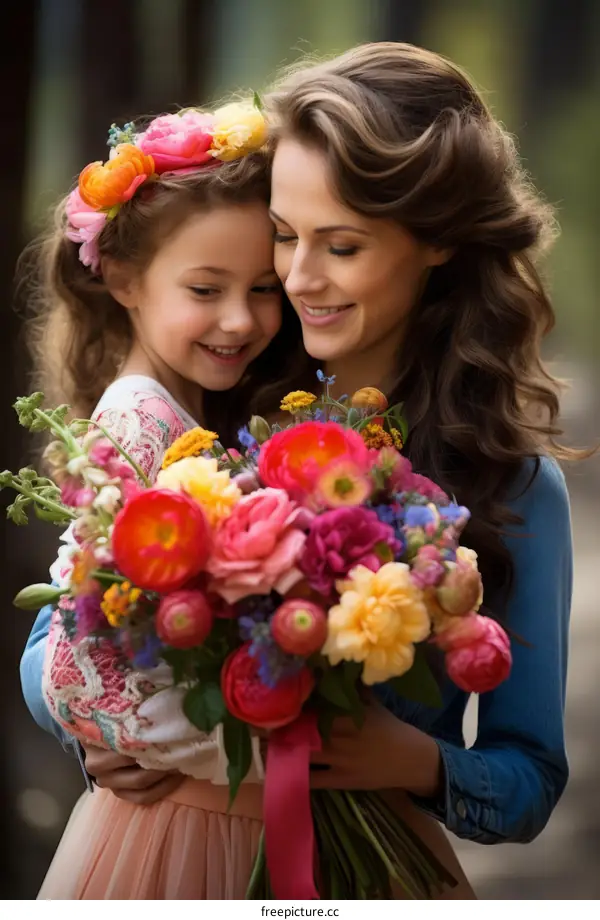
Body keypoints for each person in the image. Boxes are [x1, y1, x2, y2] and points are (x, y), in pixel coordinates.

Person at [264, 41, 579, 853]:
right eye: (281, 234)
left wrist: (416, 762)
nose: (299, 277)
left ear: (437, 240)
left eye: (341, 246)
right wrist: (103, 731)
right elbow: (53, 652)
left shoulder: (510, 483)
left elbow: (531, 781)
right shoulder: (217, 409)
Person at [19, 99, 294, 899]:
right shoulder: (135, 421)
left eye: (264, 288)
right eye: (206, 289)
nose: (241, 320)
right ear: (126, 278)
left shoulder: (195, 415)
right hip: (185, 829)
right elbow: (85, 665)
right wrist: (292, 743)